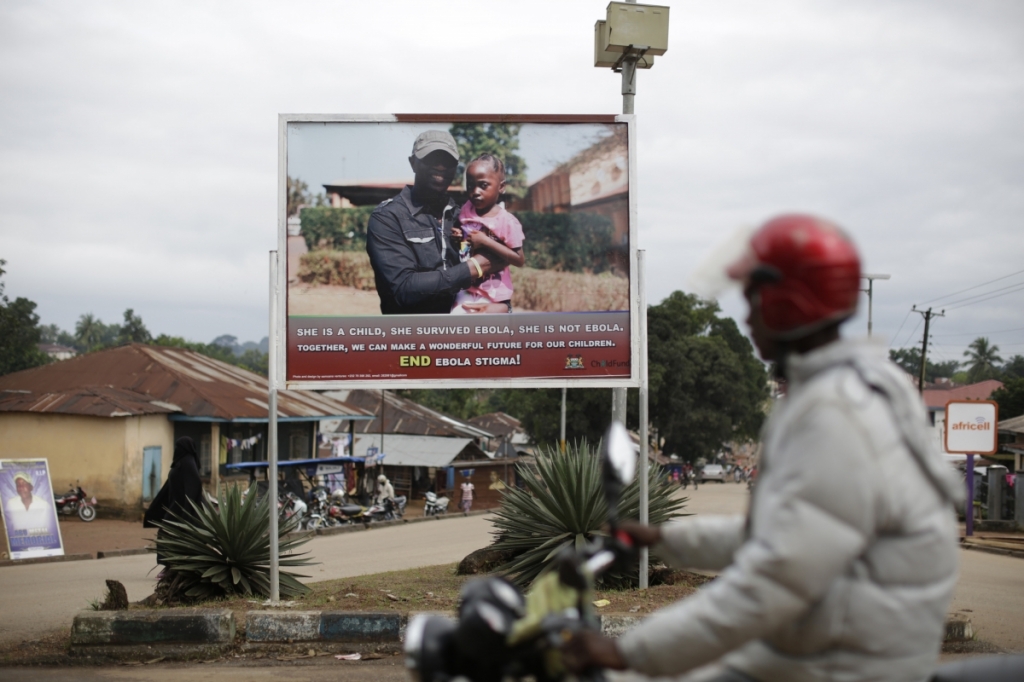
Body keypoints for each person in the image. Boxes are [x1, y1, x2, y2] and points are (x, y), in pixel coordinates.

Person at [563, 214, 962, 682]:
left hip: (843, 663)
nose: (748, 315)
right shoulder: (853, 386)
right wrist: (664, 540)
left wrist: (628, 651)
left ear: (789, 303)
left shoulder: (838, 413)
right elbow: (779, 535)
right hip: (824, 640)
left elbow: (773, 579)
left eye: (753, 298)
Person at [365, 130, 507, 315]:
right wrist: (474, 268)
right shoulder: (388, 217)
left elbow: (497, 272)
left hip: (463, 335)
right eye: (431, 158)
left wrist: (504, 307)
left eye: (447, 161)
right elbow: (402, 289)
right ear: (413, 163)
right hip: (412, 337)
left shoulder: (465, 217)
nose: (440, 166)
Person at [450, 154, 525, 314]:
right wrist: (458, 238)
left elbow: (519, 259)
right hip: (467, 289)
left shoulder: (506, 221)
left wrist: (486, 241)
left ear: (501, 186)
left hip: (494, 295)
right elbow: (466, 247)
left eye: (483, 185)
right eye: (470, 186)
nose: (475, 191)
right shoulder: (466, 210)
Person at [144, 437, 205, 571]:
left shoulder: (187, 462)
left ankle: (171, 567)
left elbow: (194, 486)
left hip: (183, 510)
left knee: (168, 535)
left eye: (178, 446)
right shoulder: (180, 462)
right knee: (166, 534)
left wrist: (187, 512)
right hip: (175, 508)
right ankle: (169, 566)